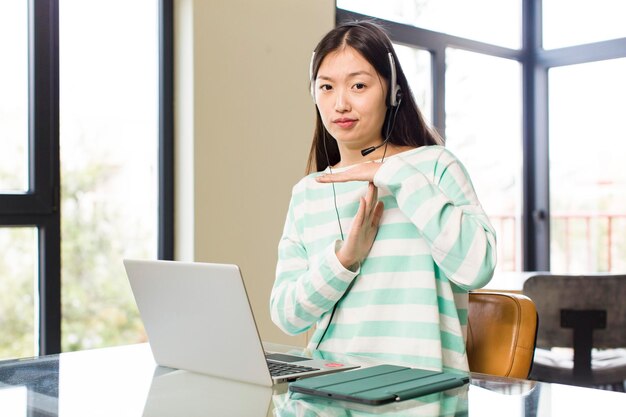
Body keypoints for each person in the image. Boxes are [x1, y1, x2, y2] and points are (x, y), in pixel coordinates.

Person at [270, 20, 496, 373]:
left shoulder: (435, 166)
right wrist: (344, 260)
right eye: (326, 87)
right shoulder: (307, 193)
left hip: (421, 393)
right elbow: (287, 315)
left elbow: (477, 267)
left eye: (358, 85)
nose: (340, 103)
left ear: (392, 92)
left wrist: (396, 174)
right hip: (327, 390)